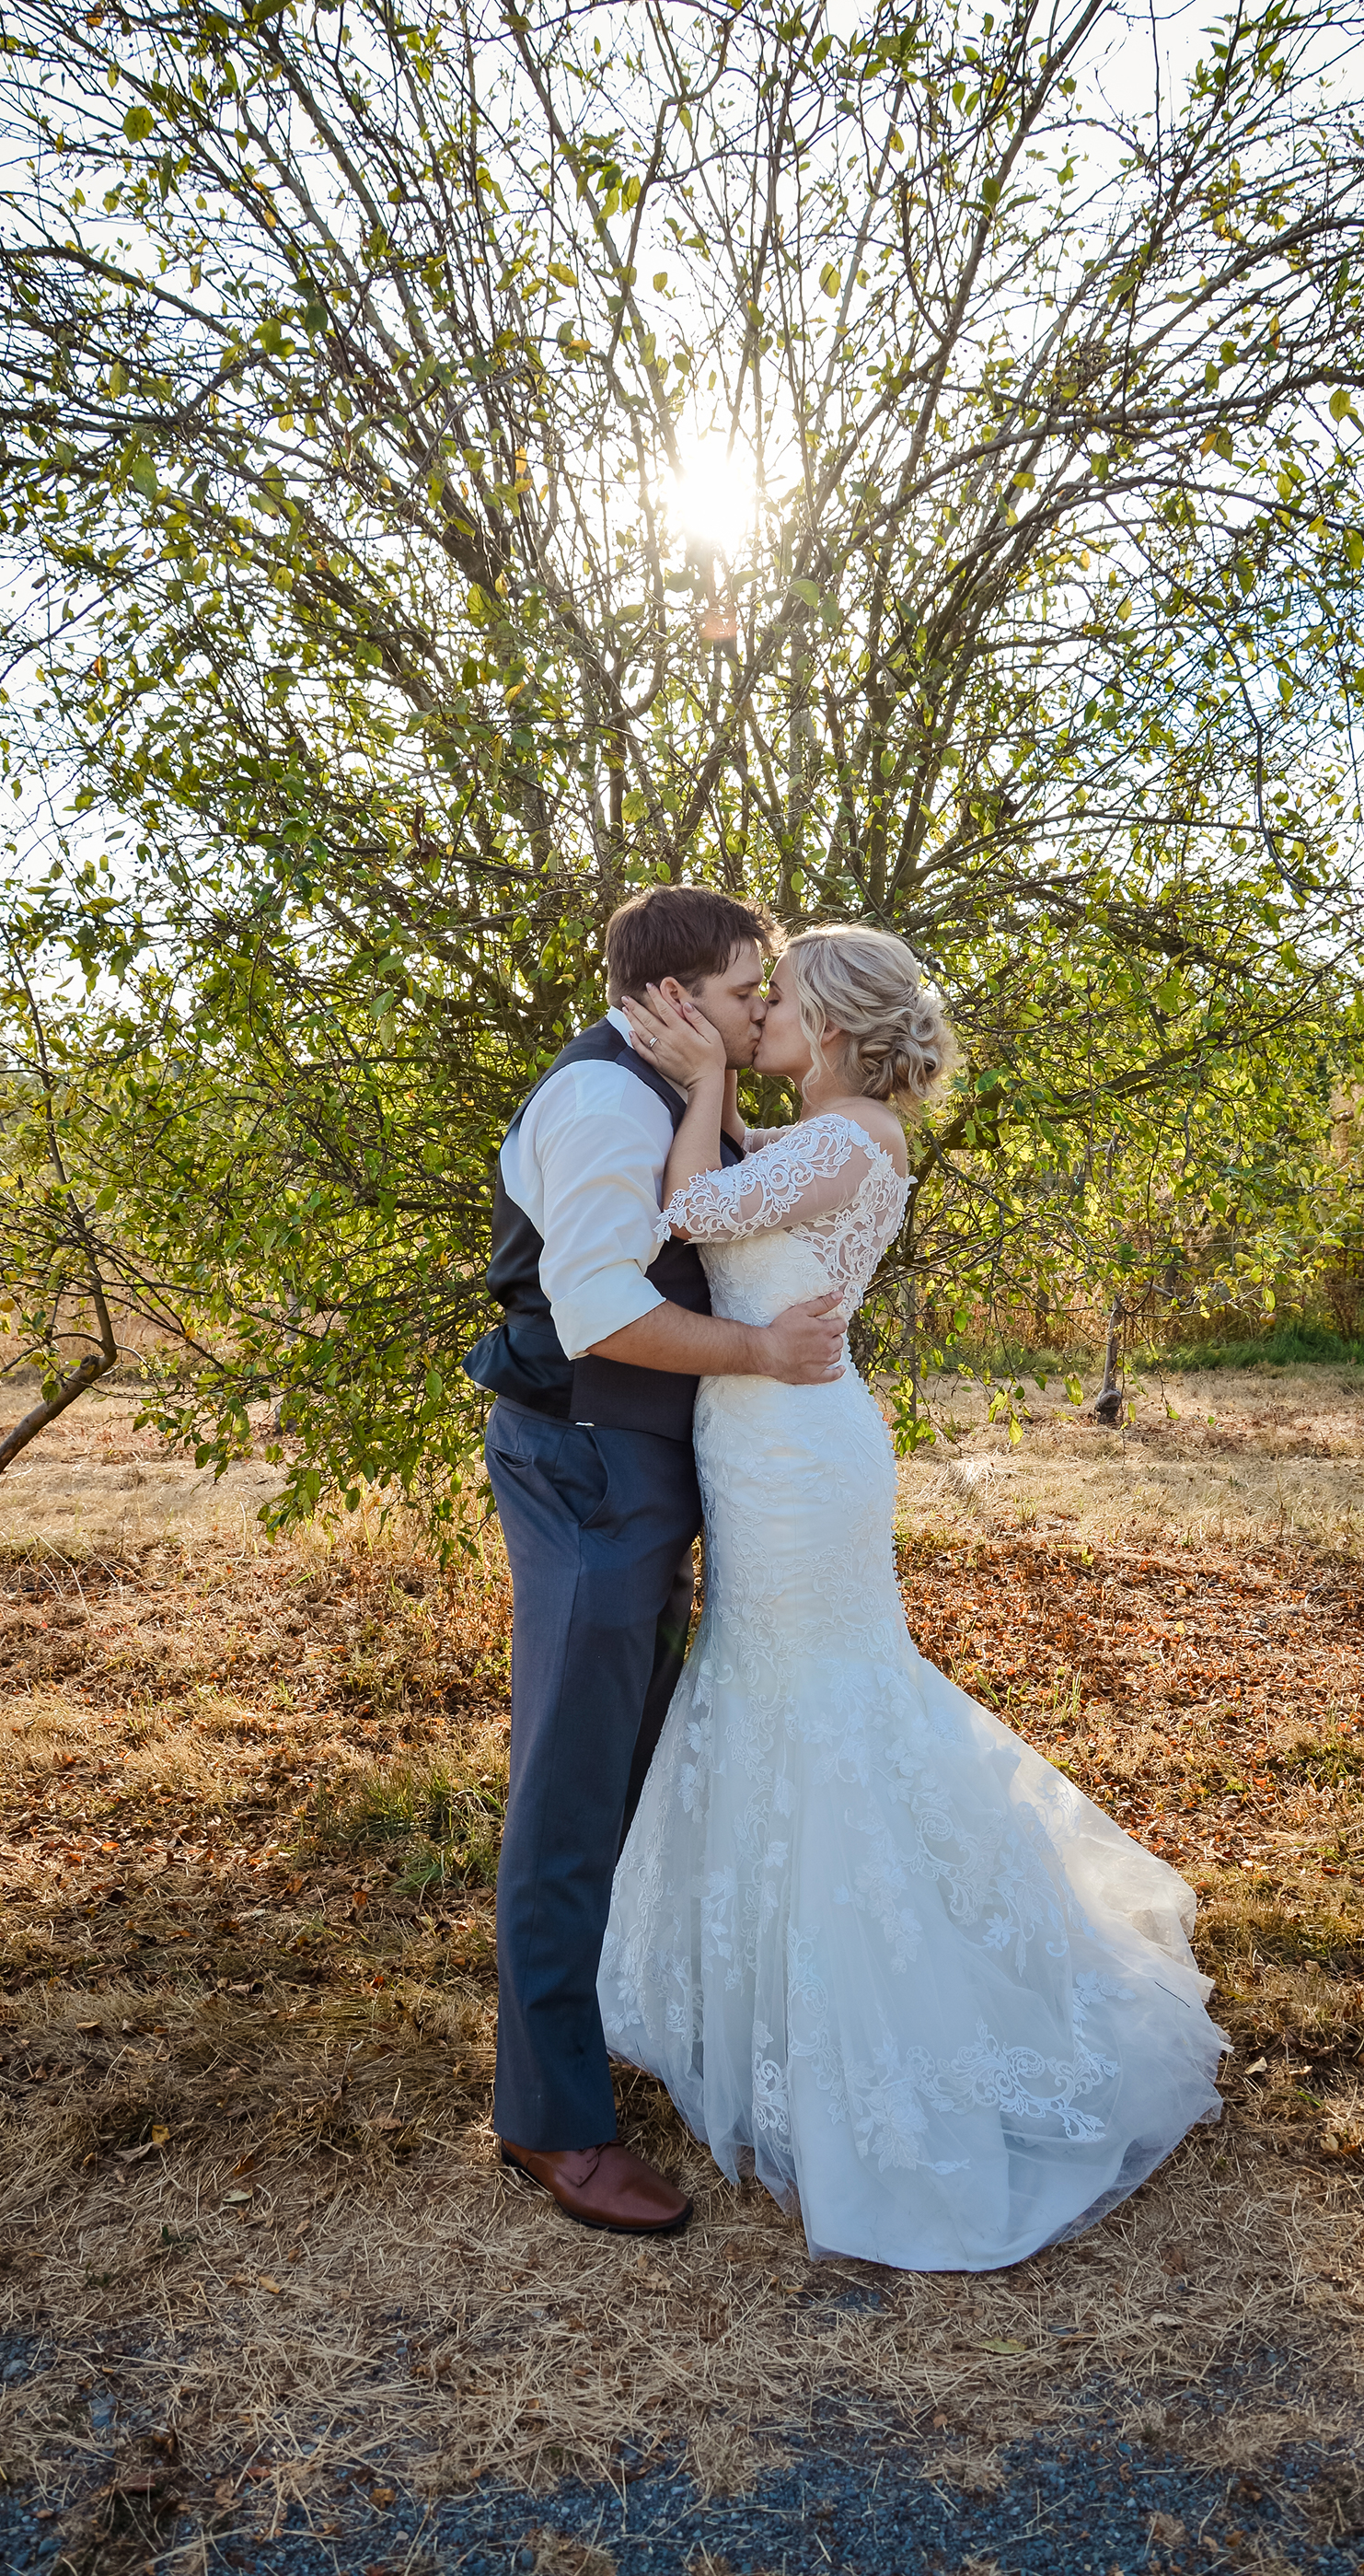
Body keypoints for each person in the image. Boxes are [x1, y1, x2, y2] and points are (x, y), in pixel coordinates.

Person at [599, 926, 1227, 2270]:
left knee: (820, 1700)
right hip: (769, 1438)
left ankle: (881, 2027)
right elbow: (732, 1204)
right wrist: (714, 1089)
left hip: (798, 1455)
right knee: (787, 1688)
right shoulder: (828, 1132)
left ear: (827, 1020)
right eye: (747, 998)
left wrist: (701, 1080)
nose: (758, 1009)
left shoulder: (843, 1136)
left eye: (778, 997)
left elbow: (694, 1213)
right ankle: (788, 2005)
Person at [467, 886, 850, 2239]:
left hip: (646, 1470)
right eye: (752, 988)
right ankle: (550, 2122)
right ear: (680, 996)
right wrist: (757, 1355)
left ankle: (600, 2036)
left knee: (631, 1764)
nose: (765, 1009)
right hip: (582, 1467)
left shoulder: (676, 1090)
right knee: (571, 1786)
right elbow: (600, 1310)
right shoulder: (599, 1105)